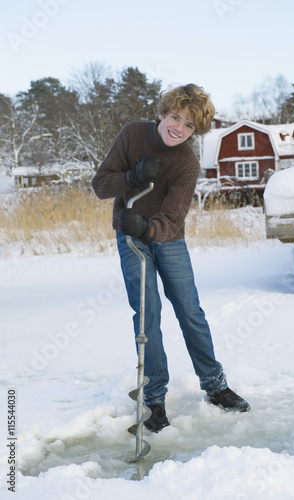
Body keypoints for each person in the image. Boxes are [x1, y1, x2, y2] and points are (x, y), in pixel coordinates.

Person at [92, 83, 250, 433]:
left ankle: (215, 386)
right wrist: (132, 176)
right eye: (175, 117)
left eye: (189, 125)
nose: (178, 127)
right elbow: (101, 184)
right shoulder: (133, 135)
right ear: (162, 113)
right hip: (130, 238)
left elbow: (174, 216)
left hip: (167, 239)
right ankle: (155, 397)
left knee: (189, 310)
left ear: (196, 131)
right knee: (148, 312)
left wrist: (150, 230)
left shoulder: (187, 163)